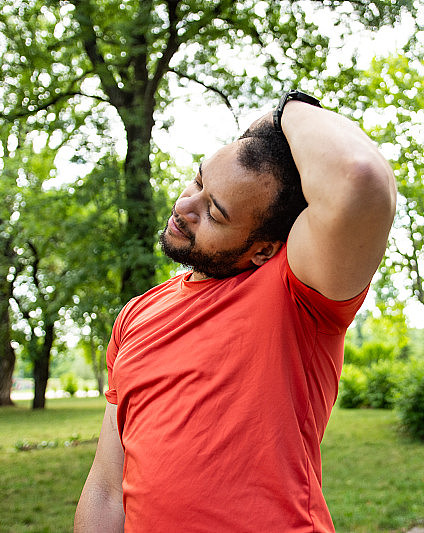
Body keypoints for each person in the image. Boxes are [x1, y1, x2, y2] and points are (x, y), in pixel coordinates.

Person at [74, 90, 396, 532]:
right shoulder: (137, 314)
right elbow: (107, 487)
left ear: (263, 249)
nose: (185, 206)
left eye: (215, 212)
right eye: (198, 181)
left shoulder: (298, 297)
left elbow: (360, 180)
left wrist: (288, 108)